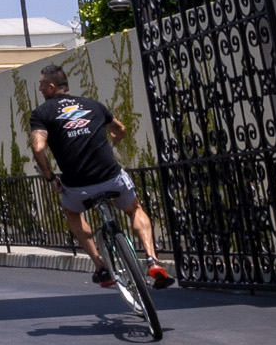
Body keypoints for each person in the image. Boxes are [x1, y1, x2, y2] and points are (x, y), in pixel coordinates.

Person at [27, 62, 170, 289]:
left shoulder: (42, 113)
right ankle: (153, 260)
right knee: (134, 208)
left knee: (71, 212)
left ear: (52, 87)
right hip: (110, 177)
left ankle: (101, 267)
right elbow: (120, 128)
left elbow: (37, 148)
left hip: (78, 185)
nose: (40, 89)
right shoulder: (92, 104)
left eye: (42, 85)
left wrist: (50, 177)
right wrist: (114, 142)